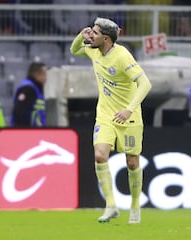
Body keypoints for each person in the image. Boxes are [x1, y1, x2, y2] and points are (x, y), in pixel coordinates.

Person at [70, 17, 152, 224]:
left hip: (128, 116)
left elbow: (145, 84)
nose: (92, 36)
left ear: (106, 39)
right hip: (105, 115)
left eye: (95, 33)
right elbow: (74, 50)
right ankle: (111, 206)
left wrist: (129, 109)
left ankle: (135, 207)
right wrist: (82, 35)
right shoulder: (94, 50)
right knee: (99, 155)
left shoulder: (122, 56)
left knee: (132, 162)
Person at [11, 62, 47, 127]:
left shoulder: (36, 89)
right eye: (44, 74)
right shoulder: (28, 89)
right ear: (37, 74)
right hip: (29, 133)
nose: (46, 78)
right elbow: (20, 112)